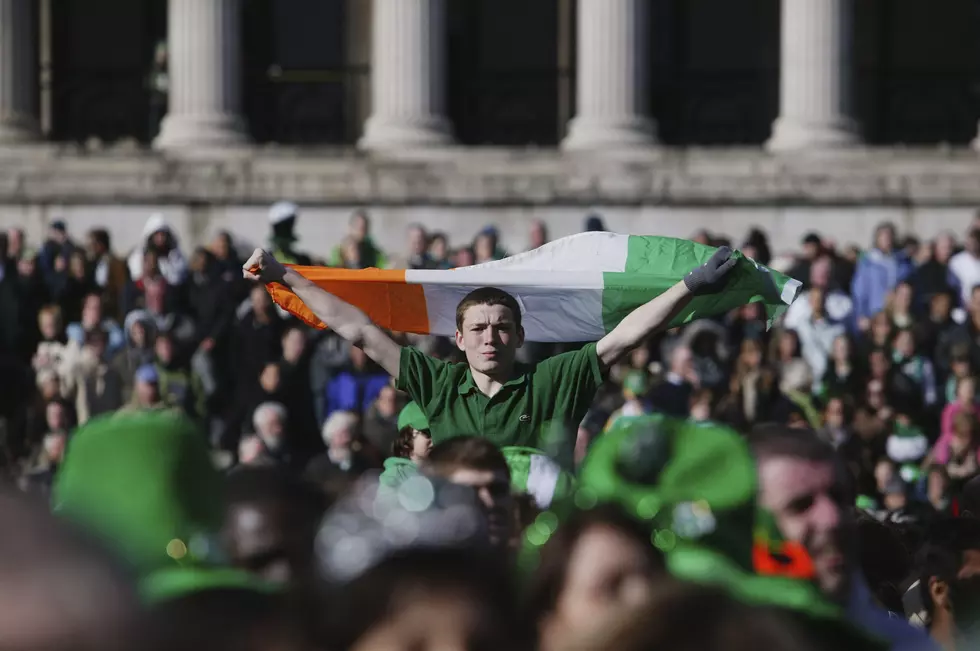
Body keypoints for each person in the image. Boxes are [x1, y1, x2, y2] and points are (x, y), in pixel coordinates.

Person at [242, 244, 737, 455]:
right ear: (458, 340)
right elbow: (360, 329)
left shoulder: (552, 382)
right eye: (477, 329)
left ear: (520, 337)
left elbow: (626, 336)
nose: (489, 337)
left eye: (502, 328)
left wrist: (689, 286)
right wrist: (285, 276)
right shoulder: (438, 384)